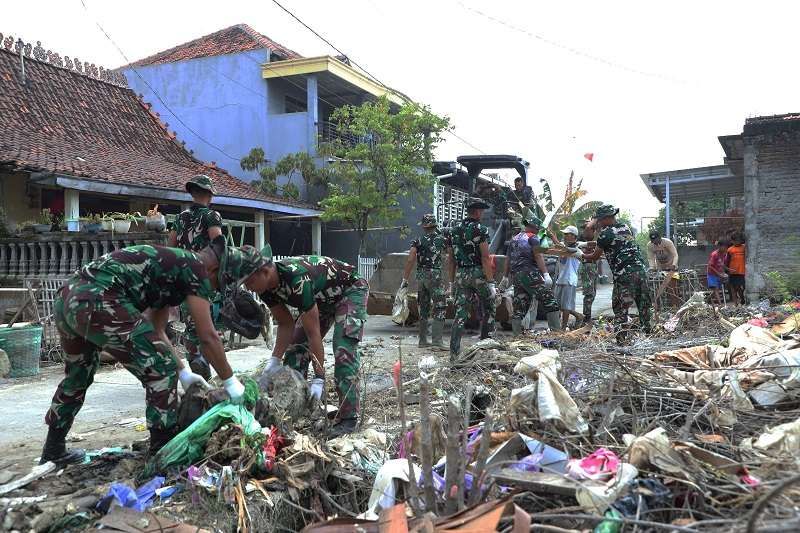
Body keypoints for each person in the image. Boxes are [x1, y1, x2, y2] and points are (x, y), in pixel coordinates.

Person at [40, 242, 264, 464]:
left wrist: (183, 371)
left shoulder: (174, 268)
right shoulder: (197, 269)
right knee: (161, 368)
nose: (213, 289)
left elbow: (156, 329)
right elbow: (208, 336)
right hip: (98, 299)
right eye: (218, 284)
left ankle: (54, 449)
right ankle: (164, 452)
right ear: (215, 270)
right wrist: (231, 382)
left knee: (79, 374)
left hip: (69, 298)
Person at [247, 256, 368, 437]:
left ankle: (348, 418)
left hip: (349, 290)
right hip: (321, 299)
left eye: (249, 281)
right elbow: (285, 324)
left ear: (265, 272)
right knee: (296, 347)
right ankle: (297, 404)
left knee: (343, 348)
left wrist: (319, 378)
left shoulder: (297, 279)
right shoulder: (265, 289)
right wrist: (274, 361)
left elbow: (314, 334)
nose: (248, 287)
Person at [167, 175, 224, 380]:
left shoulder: (180, 218)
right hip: (204, 276)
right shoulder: (212, 216)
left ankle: (195, 358)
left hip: (183, 276)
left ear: (192, 193)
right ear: (209, 195)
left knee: (191, 322)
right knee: (207, 324)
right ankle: (203, 364)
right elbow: (218, 245)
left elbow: (170, 247)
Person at [583, 205, 653, 341]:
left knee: (621, 309)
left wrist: (581, 255)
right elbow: (613, 244)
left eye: (600, 220)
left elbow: (594, 256)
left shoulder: (605, 234)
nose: (599, 223)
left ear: (606, 218)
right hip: (641, 271)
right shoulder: (625, 228)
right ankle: (649, 337)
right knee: (644, 306)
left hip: (624, 275)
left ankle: (622, 341)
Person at [449, 199, 496, 358]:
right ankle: (486, 349)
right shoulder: (481, 229)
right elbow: (485, 257)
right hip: (478, 275)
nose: (482, 213)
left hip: (461, 275)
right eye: (481, 211)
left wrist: (451, 283)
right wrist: (491, 283)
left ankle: (454, 354)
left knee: (460, 314)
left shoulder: (454, 230)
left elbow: (451, 259)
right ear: (477, 211)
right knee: (489, 308)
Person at [401, 214, 450, 350]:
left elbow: (410, 259)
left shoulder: (418, 240)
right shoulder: (442, 240)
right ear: (435, 225)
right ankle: (437, 341)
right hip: (435, 275)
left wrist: (405, 279)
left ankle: (422, 340)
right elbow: (450, 255)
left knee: (423, 307)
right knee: (440, 306)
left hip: (421, 275)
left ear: (423, 226)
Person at [505, 217, 560, 335]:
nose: (537, 231)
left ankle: (517, 336)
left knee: (520, 306)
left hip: (516, 276)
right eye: (537, 229)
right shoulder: (533, 237)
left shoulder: (514, 239)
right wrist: (546, 274)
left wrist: (505, 277)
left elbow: (508, 259)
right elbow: (538, 256)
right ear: (535, 227)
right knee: (550, 300)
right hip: (530, 274)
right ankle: (557, 334)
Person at [554, 226, 584, 329]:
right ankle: (578, 316)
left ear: (574, 236)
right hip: (560, 279)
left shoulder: (577, 250)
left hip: (569, 280)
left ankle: (563, 328)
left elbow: (565, 250)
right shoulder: (563, 246)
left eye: (567, 234)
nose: (565, 236)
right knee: (557, 305)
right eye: (565, 234)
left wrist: (553, 238)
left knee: (566, 306)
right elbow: (559, 247)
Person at [647, 231, 680, 307]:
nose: (655, 243)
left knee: (672, 287)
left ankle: (674, 306)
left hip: (672, 268)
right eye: (653, 241)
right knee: (658, 287)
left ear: (660, 237)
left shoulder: (668, 242)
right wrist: (652, 267)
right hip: (661, 269)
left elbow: (675, 255)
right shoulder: (650, 245)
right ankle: (659, 307)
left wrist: (674, 265)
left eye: (656, 240)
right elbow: (650, 258)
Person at [578, 220, 599, 325]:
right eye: (591, 230)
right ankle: (586, 319)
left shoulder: (593, 241)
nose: (593, 232)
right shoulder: (581, 242)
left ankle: (587, 317)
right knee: (589, 294)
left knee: (593, 293)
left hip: (592, 266)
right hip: (587, 266)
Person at [707, 239, 730, 305]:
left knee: (715, 290)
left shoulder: (724, 254)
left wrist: (727, 270)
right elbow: (710, 266)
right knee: (716, 289)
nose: (725, 248)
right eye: (724, 247)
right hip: (712, 274)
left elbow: (722, 265)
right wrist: (719, 274)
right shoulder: (714, 254)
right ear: (719, 246)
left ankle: (707, 299)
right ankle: (721, 304)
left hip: (719, 274)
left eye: (726, 247)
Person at [727, 233, 747, 305]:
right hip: (733, 271)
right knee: (733, 287)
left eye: (739, 240)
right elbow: (727, 261)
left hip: (742, 271)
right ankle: (736, 303)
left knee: (742, 286)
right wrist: (728, 270)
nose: (738, 242)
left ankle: (742, 298)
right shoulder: (730, 250)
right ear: (732, 241)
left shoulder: (744, 247)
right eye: (736, 240)